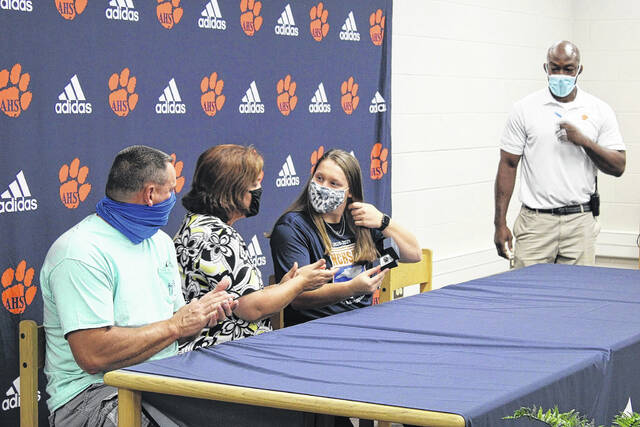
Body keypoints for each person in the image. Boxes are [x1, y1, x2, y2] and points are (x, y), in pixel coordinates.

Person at [40, 145, 236, 426]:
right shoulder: (79, 251)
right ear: (151, 194)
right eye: (170, 190)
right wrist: (176, 326)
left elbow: (173, 334)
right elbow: (93, 355)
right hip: (94, 395)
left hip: (160, 377)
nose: (174, 198)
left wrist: (199, 319)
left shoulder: (160, 243)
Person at [174, 144, 335, 351]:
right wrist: (300, 284)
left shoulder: (201, 225)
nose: (259, 190)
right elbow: (252, 308)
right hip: (220, 356)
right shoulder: (215, 235)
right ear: (233, 188)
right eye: (255, 183)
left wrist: (283, 286)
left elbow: (240, 296)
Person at [494, 40, 626, 268]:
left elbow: (619, 166)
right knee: (525, 297)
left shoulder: (599, 110)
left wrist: (584, 141)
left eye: (568, 69)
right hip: (535, 222)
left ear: (579, 70)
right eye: (555, 68)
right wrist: (500, 223)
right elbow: (508, 164)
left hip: (580, 221)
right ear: (545, 68)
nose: (561, 74)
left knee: (578, 297)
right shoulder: (525, 109)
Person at [270, 148, 422, 327]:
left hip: (364, 324)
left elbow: (414, 254)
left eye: (334, 183)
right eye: (319, 178)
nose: (323, 187)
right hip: (315, 330)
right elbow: (298, 297)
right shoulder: (292, 227)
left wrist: (384, 221)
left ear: (350, 191)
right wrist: (351, 288)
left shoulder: (360, 220)